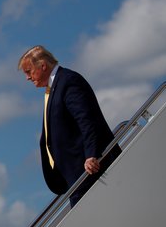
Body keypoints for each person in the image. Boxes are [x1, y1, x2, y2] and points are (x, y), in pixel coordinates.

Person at [18, 45, 119, 206]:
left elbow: (86, 119)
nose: (27, 78)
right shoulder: (53, 88)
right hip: (74, 175)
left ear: (43, 65)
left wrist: (92, 155)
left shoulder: (68, 81)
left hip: (89, 170)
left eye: (29, 71)